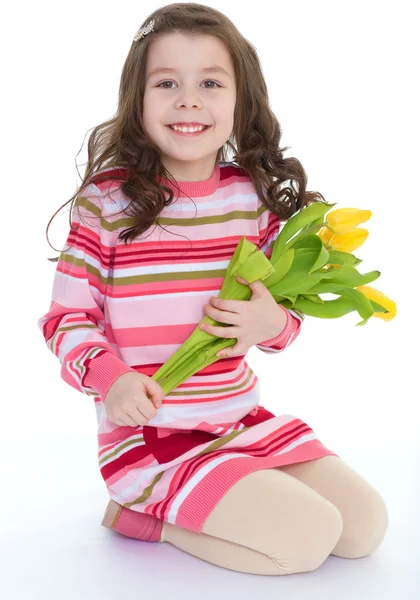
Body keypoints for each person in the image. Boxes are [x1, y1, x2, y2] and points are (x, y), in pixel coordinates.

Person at [37, 2, 388, 576]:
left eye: (210, 83)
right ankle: (145, 514)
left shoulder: (252, 201)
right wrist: (113, 378)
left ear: (240, 101)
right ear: (138, 100)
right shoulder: (108, 205)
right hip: (154, 439)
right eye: (167, 82)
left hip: (237, 420)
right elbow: (65, 320)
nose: (189, 99)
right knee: (304, 541)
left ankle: (237, 486)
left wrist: (270, 324)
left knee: (362, 527)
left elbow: (284, 317)